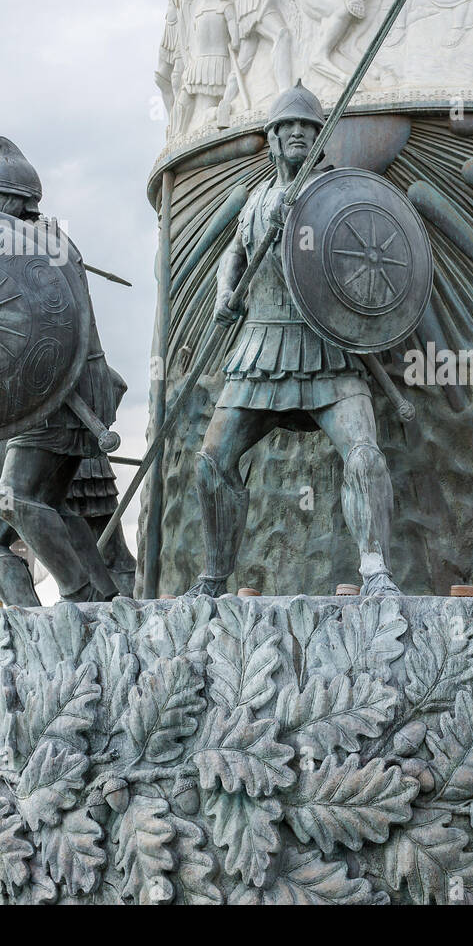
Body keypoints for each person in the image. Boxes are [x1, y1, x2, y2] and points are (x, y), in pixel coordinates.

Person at [186, 82, 401, 598]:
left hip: (329, 350)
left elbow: (362, 256)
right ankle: (214, 579)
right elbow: (233, 254)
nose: (298, 134)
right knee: (211, 462)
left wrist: (303, 218)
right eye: (288, 127)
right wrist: (225, 294)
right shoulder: (258, 199)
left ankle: (375, 573)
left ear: (320, 136)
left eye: (307, 126)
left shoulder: (337, 192)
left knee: (365, 454)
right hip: (259, 349)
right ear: (273, 137)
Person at [0, 136, 124, 603]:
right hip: (48, 393)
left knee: (14, 499)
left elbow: (48, 324)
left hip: (64, 391)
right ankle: (101, 606)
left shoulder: (44, 245)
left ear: (18, 201)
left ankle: (81, 603)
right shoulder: (22, 246)